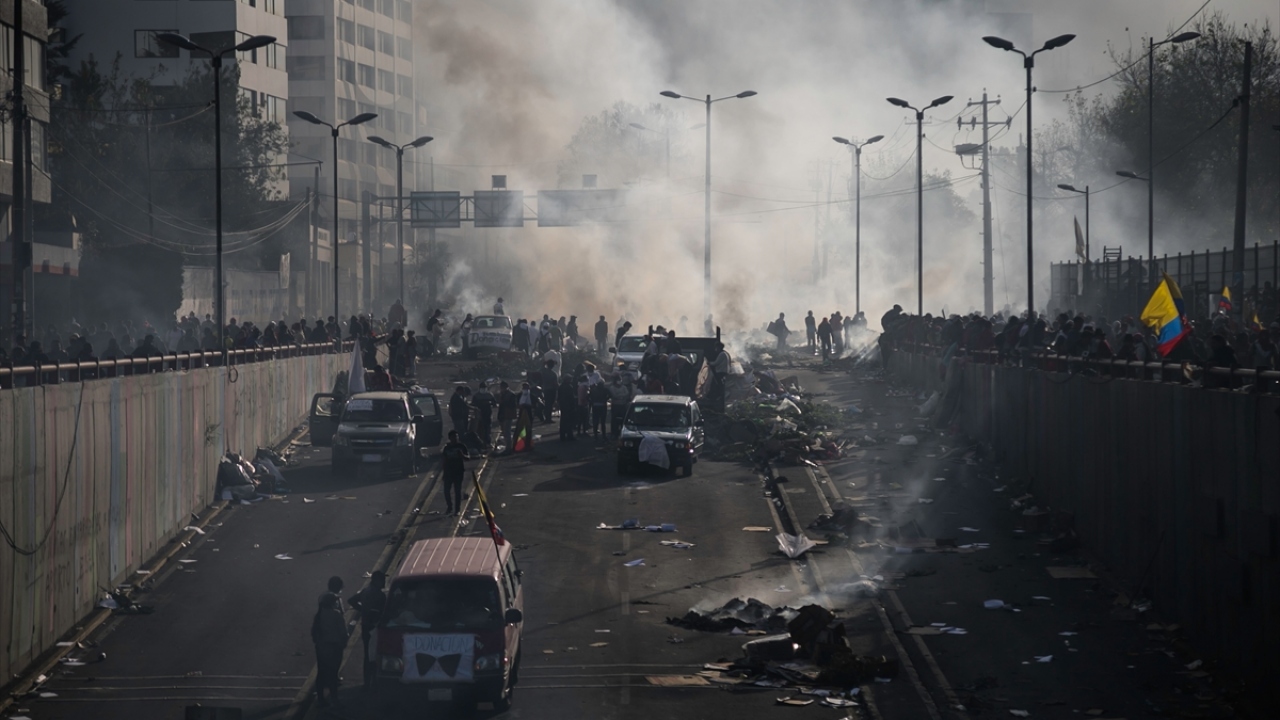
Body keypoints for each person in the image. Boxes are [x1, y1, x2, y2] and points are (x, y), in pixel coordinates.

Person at [349, 571, 387, 690]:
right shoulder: (380, 595)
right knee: (375, 655)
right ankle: (374, 681)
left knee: (367, 655)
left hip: (366, 626)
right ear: (377, 581)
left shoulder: (365, 591)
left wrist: (363, 610)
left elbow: (351, 600)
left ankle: (367, 682)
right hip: (375, 627)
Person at [311, 593, 349, 708]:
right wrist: (344, 643)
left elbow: (314, 633)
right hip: (334, 647)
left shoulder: (319, 615)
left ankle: (321, 699)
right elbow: (343, 632)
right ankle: (334, 699)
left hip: (322, 647)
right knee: (333, 674)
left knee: (321, 673)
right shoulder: (336, 615)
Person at [441, 430, 470, 515]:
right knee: (446, 491)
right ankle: (449, 506)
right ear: (450, 438)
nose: (455, 438)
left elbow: (468, 458)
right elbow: (444, 461)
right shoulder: (447, 448)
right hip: (449, 472)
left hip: (458, 472)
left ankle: (457, 509)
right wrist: (444, 472)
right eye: (454, 437)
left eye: (457, 437)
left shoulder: (461, 446)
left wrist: (462, 455)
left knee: (457, 491)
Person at [472, 381, 495, 448]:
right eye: (482, 387)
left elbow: (494, 403)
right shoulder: (476, 396)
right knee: (480, 430)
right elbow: (473, 404)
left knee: (488, 430)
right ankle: (480, 443)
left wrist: (489, 403)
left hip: (488, 415)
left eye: (484, 387)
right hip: (479, 416)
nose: (483, 389)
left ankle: (488, 442)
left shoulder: (490, 395)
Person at [497, 381, 517, 450]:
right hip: (503, 415)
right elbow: (500, 406)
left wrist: (504, 402)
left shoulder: (511, 395)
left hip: (508, 415)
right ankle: (508, 445)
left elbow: (513, 405)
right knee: (504, 431)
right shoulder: (502, 394)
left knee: (507, 431)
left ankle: (509, 447)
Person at [557, 375, 578, 441]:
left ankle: (562, 435)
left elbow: (559, 396)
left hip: (563, 405)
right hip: (569, 406)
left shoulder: (561, 387)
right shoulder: (569, 387)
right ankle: (570, 435)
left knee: (563, 421)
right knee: (569, 422)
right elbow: (571, 398)